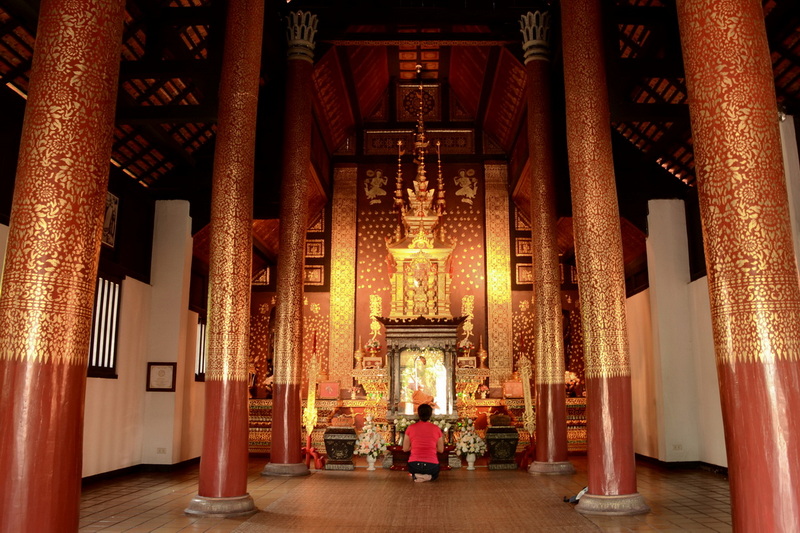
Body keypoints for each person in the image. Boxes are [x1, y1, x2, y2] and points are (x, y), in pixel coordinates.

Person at [402, 403, 444, 482]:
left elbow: (405, 449)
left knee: (412, 470)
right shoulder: (436, 428)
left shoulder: (410, 428)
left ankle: (417, 475)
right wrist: (430, 446)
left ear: (418, 414)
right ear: (430, 414)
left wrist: (415, 446)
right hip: (432, 466)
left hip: (414, 465)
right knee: (435, 474)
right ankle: (428, 477)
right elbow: (441, 449)